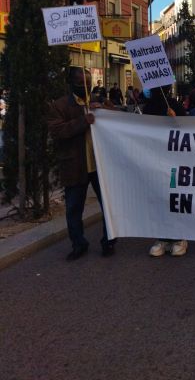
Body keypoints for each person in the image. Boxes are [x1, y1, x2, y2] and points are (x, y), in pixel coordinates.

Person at [47, 67, 117, 261]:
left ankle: (109, 241)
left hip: (100, 166)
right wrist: (82, 121)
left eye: (88, 83)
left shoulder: (98, 101)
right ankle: (78, 244)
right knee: (74, 209)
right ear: (70, 84)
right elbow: (57, 131)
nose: (85, 87)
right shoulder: (59, 106)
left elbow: (117, 120)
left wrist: (106, 109)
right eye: (80, 83)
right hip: (75, 165)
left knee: (108, 206)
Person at [143, 86, 189, 257]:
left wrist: (175, 120)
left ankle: (178, 237)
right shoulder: (148, 107)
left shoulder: (174, 106)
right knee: (159, 197)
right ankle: (162, 237)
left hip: (173, 162)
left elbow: (187, 131)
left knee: (174, 197)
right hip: (155, 160)